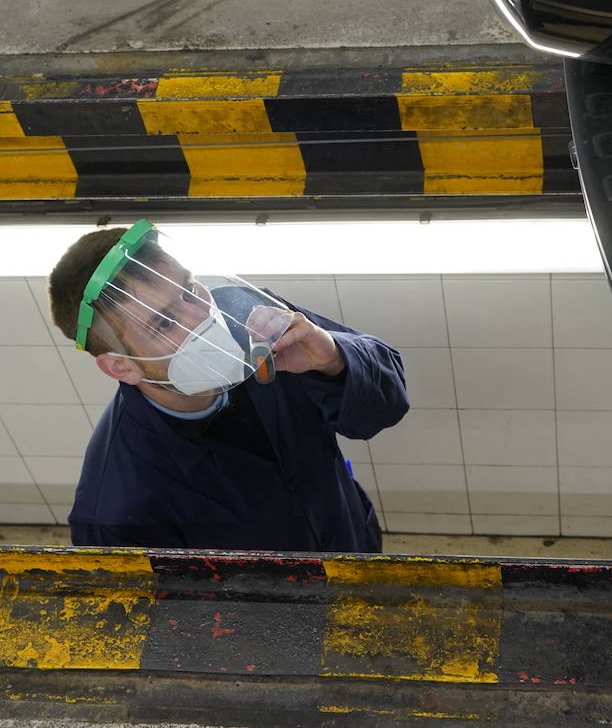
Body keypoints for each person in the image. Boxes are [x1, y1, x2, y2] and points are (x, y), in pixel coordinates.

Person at [47, 220, 407, 552]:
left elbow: (385, 407)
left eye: (189, 290)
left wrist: (333, 357)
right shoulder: (117, 507)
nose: (202, 316)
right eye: (164, 323)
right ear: (120, 366)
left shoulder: (252, 319)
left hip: (353, 544)